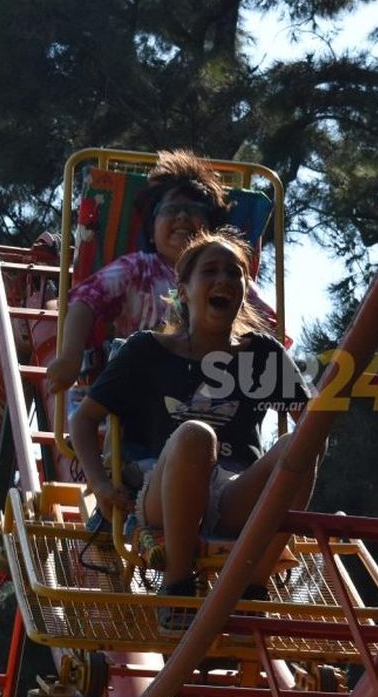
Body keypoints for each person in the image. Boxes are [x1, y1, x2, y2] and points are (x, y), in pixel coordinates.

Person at [68, 228, 319, 631]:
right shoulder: (147, 351)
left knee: (303, 444)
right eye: (210, 272)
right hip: (161, 489)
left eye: (234, 273)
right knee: (196, 435)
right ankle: (177, 586)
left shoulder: (261, 354)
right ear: (183, 290)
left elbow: (311, 423)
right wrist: (98, 482)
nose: (223, 280)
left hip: (235, 492)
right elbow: (83, 419)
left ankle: (250, 588)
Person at [45, 149, 273, 394]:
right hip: (137, 390)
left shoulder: (228, 277)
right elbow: (84, 302)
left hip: (213, 391)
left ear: (212, 232)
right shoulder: (137, 268)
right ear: (151, 233)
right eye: (171, 210)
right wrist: (70, 357)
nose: (183, 216)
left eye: (194, 210)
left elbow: (269, 327)